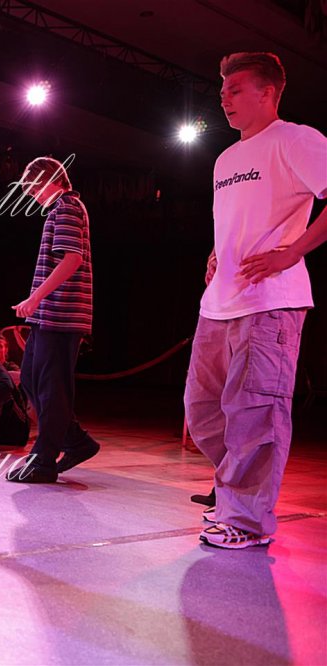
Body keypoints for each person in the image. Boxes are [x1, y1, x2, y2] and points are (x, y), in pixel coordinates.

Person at [185, 52, 327, 549]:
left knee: (256, 413)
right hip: (219, 303)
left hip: (270, 302)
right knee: (203, 410)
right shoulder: (226, 159)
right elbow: (237, 220)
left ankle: (245, 519)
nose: (223, 98)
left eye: (236, 89)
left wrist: (293, 252)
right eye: (222, 90)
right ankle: (237, 494)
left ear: (267, 92)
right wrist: (215, 254)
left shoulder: (295, 139)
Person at [9, 156, 99, 483]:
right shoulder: (60, 209)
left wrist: (35, 298)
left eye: (35, 188)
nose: (33, 195)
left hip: (62, 314)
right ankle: (75, 441)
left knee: (50, 386)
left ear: (51, 180)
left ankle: (44, 458)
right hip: (50, 314)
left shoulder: (67, 208)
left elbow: (72, 259)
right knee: (31, 379)